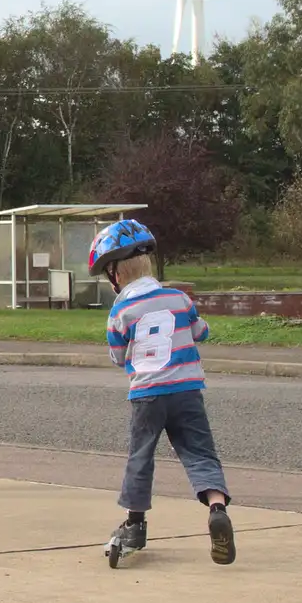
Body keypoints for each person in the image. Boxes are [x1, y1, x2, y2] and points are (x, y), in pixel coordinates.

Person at [88, 218, 236, 566]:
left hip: (147, 395)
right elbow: (201, 332)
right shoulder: (179, 298)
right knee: (200, 453)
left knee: (141, 456)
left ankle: (135, 524)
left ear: (116, 275)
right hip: (187, 390)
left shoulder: (120, 310)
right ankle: (217, 507)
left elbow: (118, 356)